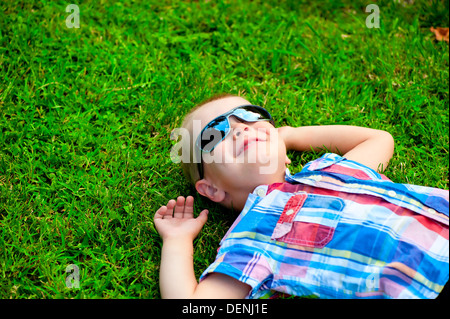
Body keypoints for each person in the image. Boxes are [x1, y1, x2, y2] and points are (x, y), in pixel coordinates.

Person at [154, 94, 449, 299]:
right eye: (214, 133)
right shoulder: (251, 238)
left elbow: (378, 139)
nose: (240, 127)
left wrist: (291, 135)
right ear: (211, 189)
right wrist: (177, 241)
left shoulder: (330, 168)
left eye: (250, 115)